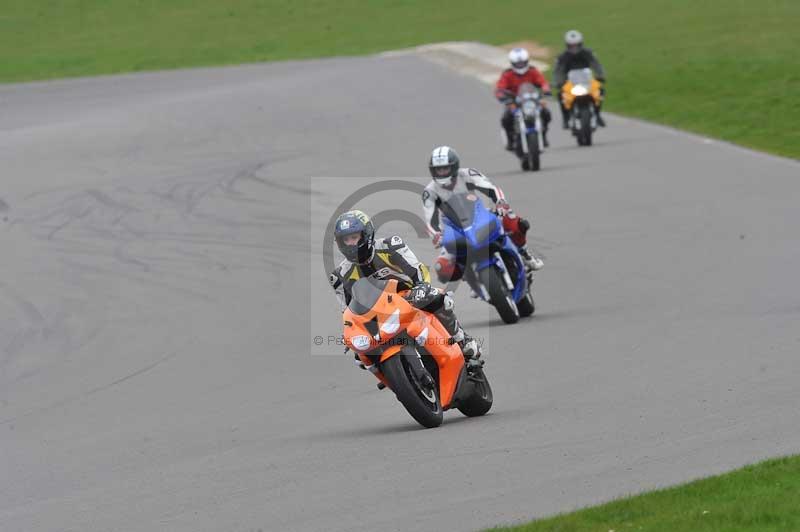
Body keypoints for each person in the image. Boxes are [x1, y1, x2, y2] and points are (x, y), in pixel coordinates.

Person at [330, 209, 482, 363]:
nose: (350, 244)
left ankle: (462, 340)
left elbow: (416, 269)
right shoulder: (340, 275)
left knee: (440, 299)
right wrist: (351, 331)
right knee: (361, 357)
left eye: (354, 237)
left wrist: (421, 286)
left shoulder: (390, 246)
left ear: (366, 234)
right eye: (346, 240)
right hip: (377, 315)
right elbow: (347, 311)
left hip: (409, 297)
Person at [422, 146, 544, 285]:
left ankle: (525, 253)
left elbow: (491, 188)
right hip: (454, 229)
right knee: (442, 269)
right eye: (438, 169)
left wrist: (500, 202)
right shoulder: (430, 192)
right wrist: (437, 235)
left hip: (479, 215)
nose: (442, 173)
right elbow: (430, 220)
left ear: (454, 166)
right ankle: (472, 279)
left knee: (513, 221)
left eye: (445, 168)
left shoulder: (467, 174)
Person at [495, 48, 552, 149]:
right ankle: (510, 140)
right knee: (506, 118)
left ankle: (543, 135)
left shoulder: (532, 71)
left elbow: (543, 82)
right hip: (515, 102)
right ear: (512, 63)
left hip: (532, 101)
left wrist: (546, 90)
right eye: (518, 64)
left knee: (546, 113)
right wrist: (503, 96)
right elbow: (500, 88)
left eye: (522, 63)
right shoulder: (508, 74)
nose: (520, 66)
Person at [552, 30, 607, 128]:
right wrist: (558, 82)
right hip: (570, 82)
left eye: (576, 45)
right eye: (572, 46)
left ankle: (597, 114)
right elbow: (558, 70)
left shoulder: (588, 53)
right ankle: (566, 118)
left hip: (586, 80)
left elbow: (596, 64)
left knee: (600, 90)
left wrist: (600, 76)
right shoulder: (562, 57)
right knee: (561, 95)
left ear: (581, 44)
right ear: (567, 45)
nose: (574, 48)